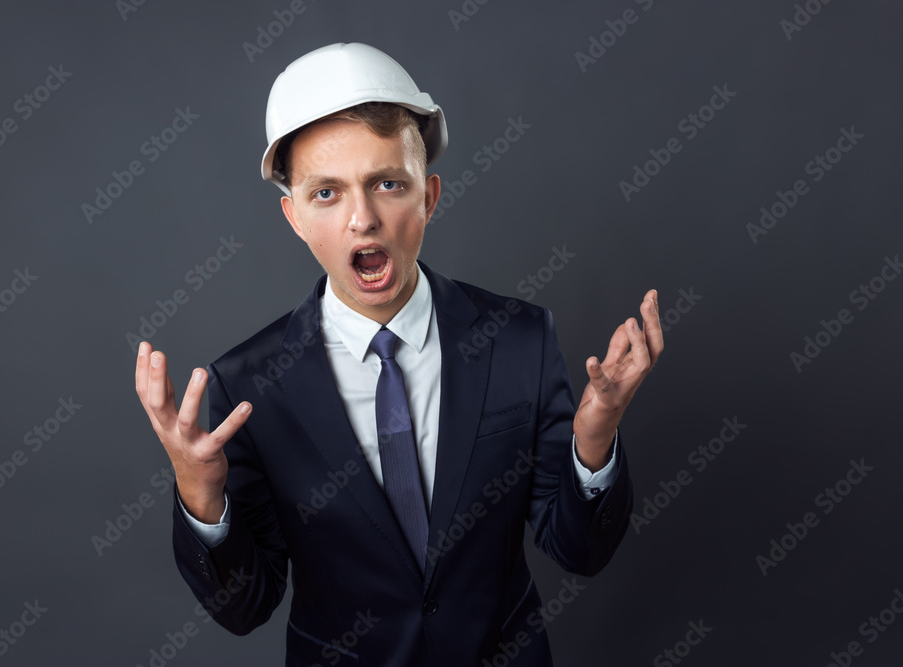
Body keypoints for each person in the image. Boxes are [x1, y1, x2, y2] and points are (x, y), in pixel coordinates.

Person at [135, 42, 663, 666]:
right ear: (294, 218)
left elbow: (581, 552)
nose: (363, 219)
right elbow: (243, 607)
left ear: (428, 197)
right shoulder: (245, 388)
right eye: (326, 194)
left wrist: (595, 437)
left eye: (387, 183)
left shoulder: (519, 340)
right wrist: (199, 490)